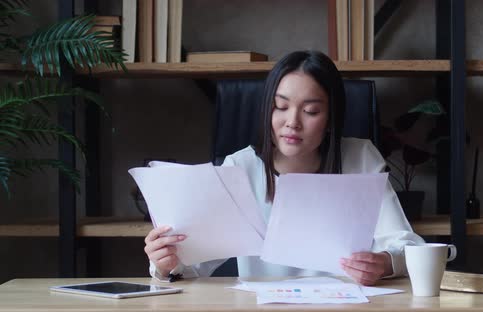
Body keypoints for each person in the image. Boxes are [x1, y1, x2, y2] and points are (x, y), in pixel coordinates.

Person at [144, 50, 424, 286]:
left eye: (311, 111)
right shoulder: (240, 168)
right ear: (268, 109)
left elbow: (407, 245)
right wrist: (166, 263)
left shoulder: (360, 158)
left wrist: (385, 263)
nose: (293, 122)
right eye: (281, 106)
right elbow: (194, 266)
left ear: (331, 118)